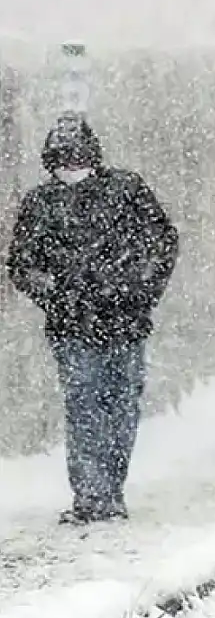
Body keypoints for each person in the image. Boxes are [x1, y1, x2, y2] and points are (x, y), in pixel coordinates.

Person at [6, 114, 179, 524]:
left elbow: (161, 245)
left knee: (119, 407)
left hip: (125, 321)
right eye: (62, 158)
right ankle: (90, 495)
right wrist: (58, 294)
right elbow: (22, 264)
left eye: (76, 156)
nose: (70, 166)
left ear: (92, 155)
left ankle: (109, 490)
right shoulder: (40, 203)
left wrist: (135, 288)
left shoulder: (127, 190)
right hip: (73, 326)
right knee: (85, 406)